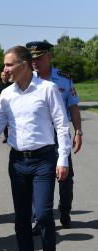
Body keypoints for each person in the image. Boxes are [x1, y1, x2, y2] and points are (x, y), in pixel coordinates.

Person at [0, 46, 71, 251]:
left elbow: (61, 125)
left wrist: (63, 159)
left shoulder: (47, 89)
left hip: (44, 160)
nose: (5, 69)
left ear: (25, 64)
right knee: (21, 217)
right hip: (18, 162)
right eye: (4, 65)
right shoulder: (7, 94)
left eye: (9, 64)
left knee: (44, 214)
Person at [26, 41, 82, 229]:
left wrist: (78, 131)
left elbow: (73, 106)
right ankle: (37, 219)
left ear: (49, 57)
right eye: (32, 59)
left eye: (39, 58)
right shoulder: (27, 79)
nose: (35, 62)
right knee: (36, 178)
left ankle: (64, 211)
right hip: (37, 135)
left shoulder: (63, 79)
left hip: (60, 135)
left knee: (66, 177)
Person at [0, 71, 12, 143]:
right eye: (3, 75)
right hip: (2, 105)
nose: (4, 76)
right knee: (4, 121)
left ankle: (13, 136)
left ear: (7, 76)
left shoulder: (11, 84)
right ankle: (6, 137)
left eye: (5, 75)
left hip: (10, 105)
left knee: (11, 121)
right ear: (1, 77)